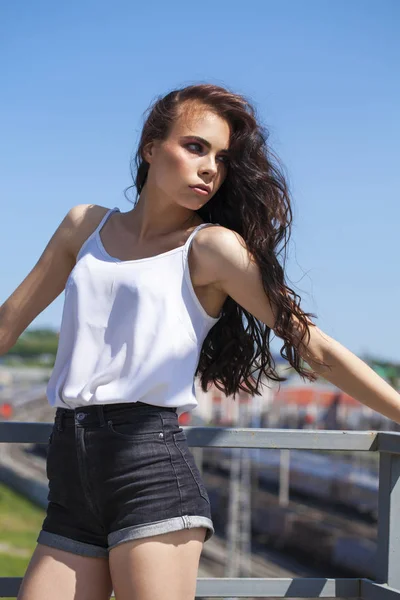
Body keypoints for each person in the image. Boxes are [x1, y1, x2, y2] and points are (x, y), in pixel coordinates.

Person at [1, 83, 399, 600]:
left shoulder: (211, 249)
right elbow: (7, 325)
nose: (210, 167)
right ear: (150, 148)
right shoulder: (83, 228)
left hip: (148, 469)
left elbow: (314, 347)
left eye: (222, 158)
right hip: (69, 473)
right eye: (195, 147)